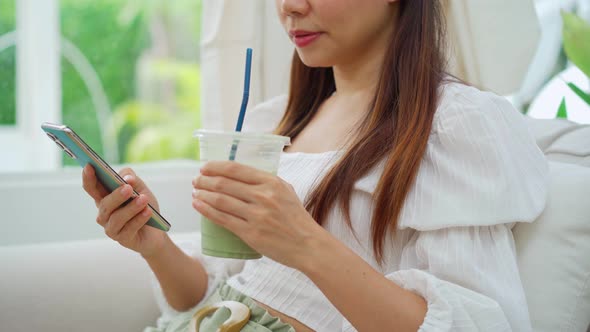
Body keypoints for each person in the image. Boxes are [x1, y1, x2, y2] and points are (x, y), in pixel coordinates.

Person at [82, 0, 548, 331]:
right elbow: (221, 296)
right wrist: (153, 244)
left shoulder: (454, 125)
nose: (289, 6)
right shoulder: (279, 120)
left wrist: (303, 242)